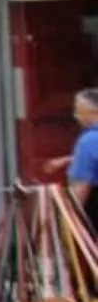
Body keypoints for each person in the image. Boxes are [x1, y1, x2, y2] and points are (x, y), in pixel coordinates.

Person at [41, 87, 98, 220]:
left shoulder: (87, 141)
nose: (75, 115)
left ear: (94, 112)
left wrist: (68, 218)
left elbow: (81, 186)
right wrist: (69, 159)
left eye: (79, 111)